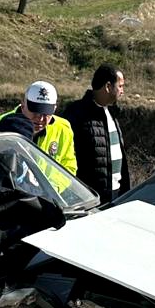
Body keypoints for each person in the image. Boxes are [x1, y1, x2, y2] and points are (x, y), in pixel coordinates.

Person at [62, 64, 128, 205]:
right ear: (108, 86)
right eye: (120, 86)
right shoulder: (76, 113)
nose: (122, 91)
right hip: (90, 199)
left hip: (116, 194)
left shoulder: (112, 112)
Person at [0, 81, 77, 173]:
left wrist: (47, 182)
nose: (40, 118)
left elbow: (69, 167)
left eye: (46, 113)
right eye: (35, 111)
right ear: (23, 105)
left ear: (54, 109)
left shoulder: (63, 128)